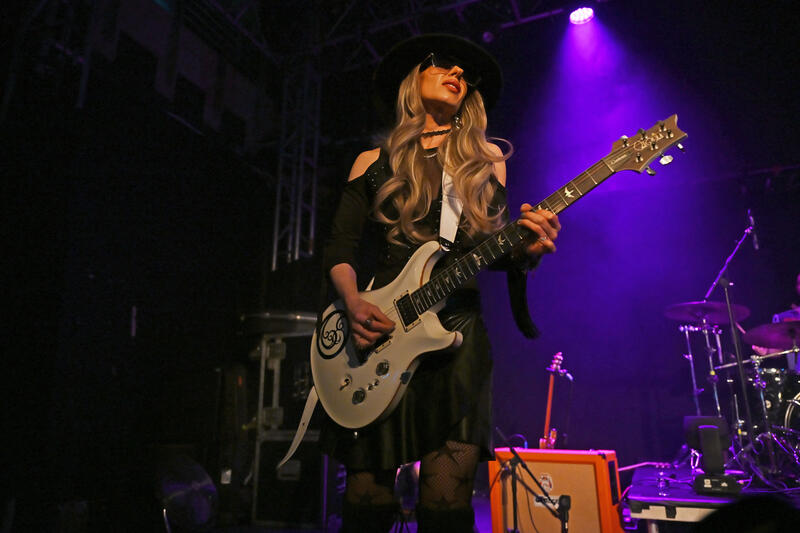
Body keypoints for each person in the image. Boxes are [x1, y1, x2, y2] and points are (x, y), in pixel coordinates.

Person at [319, 34, 561, 532]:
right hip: (380, 328)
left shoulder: (487, 159)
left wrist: (527, 253)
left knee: (446, 504)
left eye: (465, 75)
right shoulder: (371, 162)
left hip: (457, 336)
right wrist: (351, 302)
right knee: (366, 499)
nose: (458, 75)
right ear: (415, 77)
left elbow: (486, 254)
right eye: (445, 65)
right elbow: (340, 250)